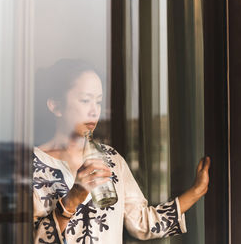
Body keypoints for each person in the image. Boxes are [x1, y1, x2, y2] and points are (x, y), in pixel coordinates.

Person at [33, 59, 210, 244]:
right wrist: (71, 201)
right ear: (55, 105)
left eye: (99, 101)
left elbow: (141, 223)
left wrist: (197, 191)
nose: (95, 111)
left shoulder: (111, 159)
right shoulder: (31, 166)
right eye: (85, 100)